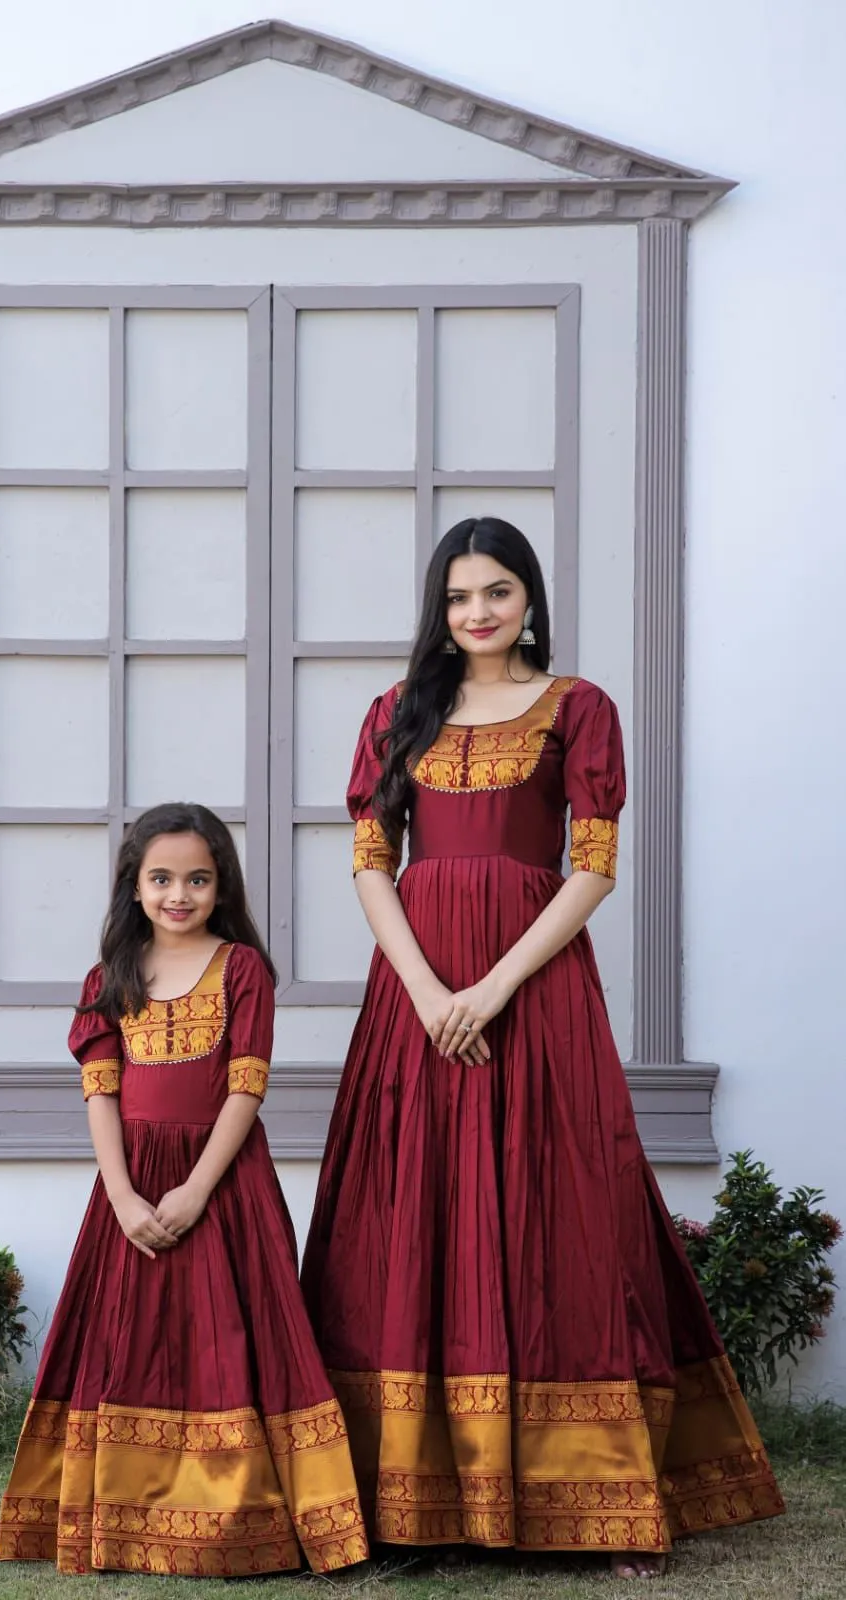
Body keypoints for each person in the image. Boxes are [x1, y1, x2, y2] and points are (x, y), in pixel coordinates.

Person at [300, 518, 783, 1579]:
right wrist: (430, 991)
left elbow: (593, 867)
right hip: (415, 996)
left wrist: (493, 985)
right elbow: (372, 865)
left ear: (530, 599)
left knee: (560, 1205)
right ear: (438, 605)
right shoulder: (394, 714)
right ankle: (404, 1499)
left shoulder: (579, 708)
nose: (478, 612)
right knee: (409, 1207)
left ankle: (600, 1498)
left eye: (499, 592)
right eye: (460, 595)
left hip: (535, 986)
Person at [0, 803, 368, 1578]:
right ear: (133, 887)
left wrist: (198, 1190)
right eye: (161, 878)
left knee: (232, 1341)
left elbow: (245, 1091)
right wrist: (126, 1198)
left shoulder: (243, 970)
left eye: (198, 879)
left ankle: (240, 1523)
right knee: (128, 1347)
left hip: (225, 1189)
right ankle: (128, 1521)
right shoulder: (108, 979)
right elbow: (101, 1095)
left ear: (220, 885)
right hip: (128, 1191)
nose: (179, 894)